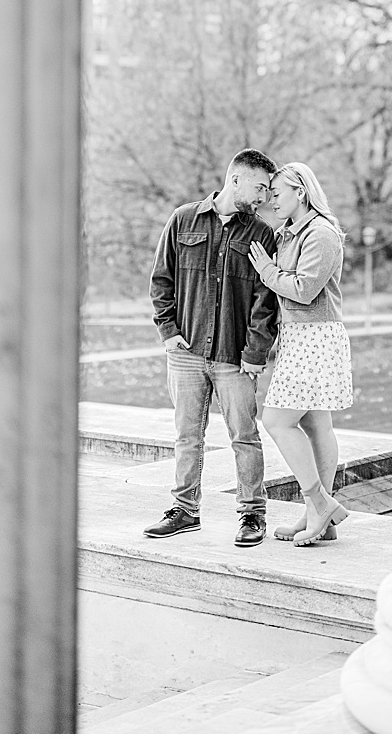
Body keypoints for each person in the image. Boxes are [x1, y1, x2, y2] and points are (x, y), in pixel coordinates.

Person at [144, 149, 280, 547]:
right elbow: (161, 280)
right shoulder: (183, 219)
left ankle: (252, 514)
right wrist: (167, 330)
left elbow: (264, 303)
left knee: (244, 435)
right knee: (188, 435)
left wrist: (255, 353)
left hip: (234, 357)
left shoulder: (261, 234)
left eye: (269, 191)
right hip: (185, 352)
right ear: (235, 179)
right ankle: (184, 511)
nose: (263, 198)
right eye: (259, 188)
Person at [247, 161, 355, 547]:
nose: (271, 200)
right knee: (315, 425)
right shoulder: (290, 234)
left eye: (277, 193)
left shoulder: (322, 234)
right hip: (299, 336)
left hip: (316, 337)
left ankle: (319, 502)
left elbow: (305, 289)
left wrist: (267, 271)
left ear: (301, 193)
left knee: (276, 420)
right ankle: (318, 516)